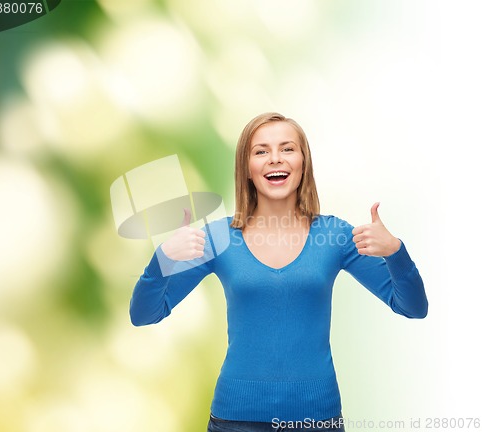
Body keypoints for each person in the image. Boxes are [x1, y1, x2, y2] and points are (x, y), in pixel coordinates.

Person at [129, 112, 428, 432]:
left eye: (287, 149)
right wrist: (163, 259)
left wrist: (396, 251)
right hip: (235, 419)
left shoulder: (336, 236)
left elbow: (412, 306)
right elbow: (145, 313)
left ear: (304, 162)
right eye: (261, 151)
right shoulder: (217, 238)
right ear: (246, 168)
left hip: (317, 420)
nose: (275, 159)